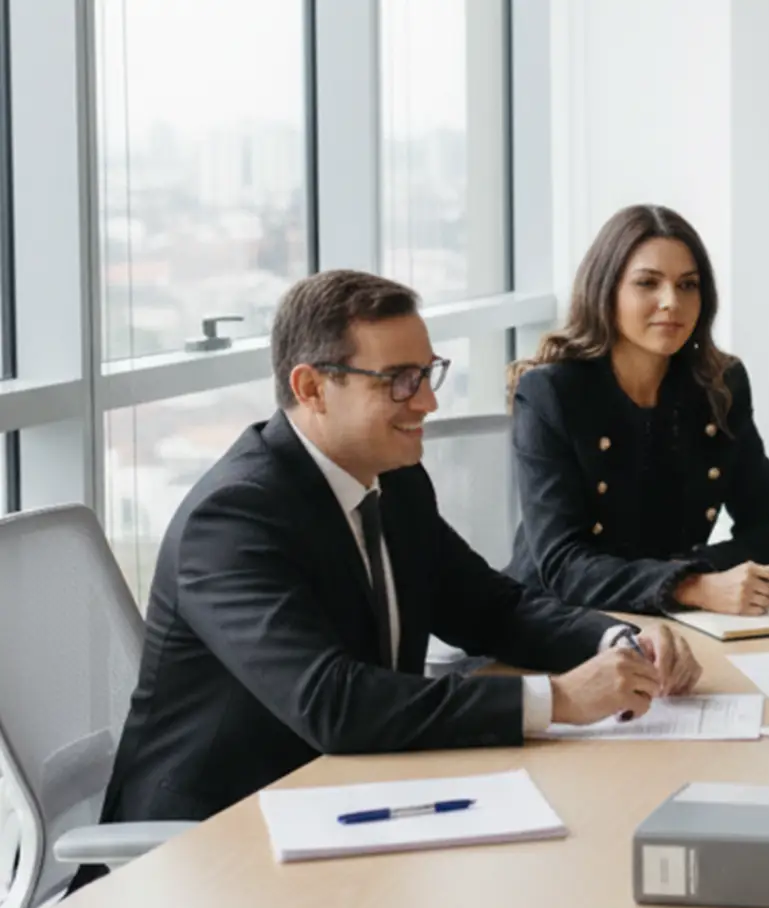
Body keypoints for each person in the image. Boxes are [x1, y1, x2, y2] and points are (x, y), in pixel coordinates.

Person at [85, 270, 702, 860]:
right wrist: (559, 699)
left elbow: (492, 607)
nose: (429, 401)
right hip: (214, 841)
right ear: (311, 388)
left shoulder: (394, 480)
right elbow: (333, 703)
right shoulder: (232, 519)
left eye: (429, 373)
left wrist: (618, 638)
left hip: (349, 798)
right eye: (400, 380)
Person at [503, 204, 769, 616]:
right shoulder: (551, 393)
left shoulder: (718, 386)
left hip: (665, 619)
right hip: (555, 623)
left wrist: (690, 576)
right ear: (605, 291)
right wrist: (691, 586)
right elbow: (564, 565)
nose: (671, 303)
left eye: (687, 285)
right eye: (648, 283)